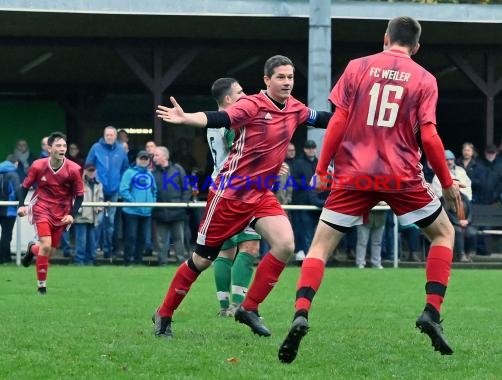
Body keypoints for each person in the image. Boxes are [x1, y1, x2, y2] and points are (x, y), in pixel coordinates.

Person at [278, 17, 461, 363]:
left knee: (320, 246)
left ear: (385, 38)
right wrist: (447, 183)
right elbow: (431, 136)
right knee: (443, 234)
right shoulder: (425, 78)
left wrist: (321, 168)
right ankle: (431, 312)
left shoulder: (357, 67)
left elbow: (338, 122)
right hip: (401, 175)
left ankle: (301, 311)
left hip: (354, 174)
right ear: (417, 47)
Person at [153, 55, 331, 338]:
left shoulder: (295, 107)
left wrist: (358, 118)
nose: (287, 82)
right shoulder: (251, 104)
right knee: (202, 260)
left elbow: (322, 118)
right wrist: (187, 118)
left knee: (285, 245)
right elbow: (220, 117)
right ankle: (164, 314)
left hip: (261, 193)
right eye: (281, 77)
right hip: (229, 196)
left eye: (290, 77)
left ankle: (248, 307)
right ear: (267, 80)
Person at [207, 77, 263, 317]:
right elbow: (241, 149)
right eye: (240, 92)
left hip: (220, 185)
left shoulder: (213, 123)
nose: (245, 95)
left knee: (226, 250)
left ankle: (224, 306)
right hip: (240, 188)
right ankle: (237, 304)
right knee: (249, 245)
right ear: (228, 99)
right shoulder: (232, 123)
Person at [18, 132, 84, 294]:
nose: (62, 149)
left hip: (61, 212)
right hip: (41, 208)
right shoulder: (38, 165)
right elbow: (24, 186)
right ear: (49, 148)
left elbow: (80, 195)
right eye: (58, 145)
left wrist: (71, 215)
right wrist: (21, 206)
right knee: (46, 245)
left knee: (49, 251)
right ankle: (42, 287)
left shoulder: (74, 169)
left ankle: (32, 249)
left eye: (64, 146)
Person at [85, 126, 130, 259]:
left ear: (116, 136)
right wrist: (93, 183)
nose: (109, 137)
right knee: (97, 220)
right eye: (107, 135)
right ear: (104, 136)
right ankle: (94, 250)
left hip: (114, 190)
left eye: (112, 135)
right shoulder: (96, 147)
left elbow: (125, 169)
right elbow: (88, 166)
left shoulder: (121, 150)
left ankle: (108, 249)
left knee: (110, 222)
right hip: (98, 190)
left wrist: (120, 184)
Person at [152, 146, 190, 265]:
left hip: (177, 212)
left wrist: (181, 205)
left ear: (165, 156)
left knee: (179, 239)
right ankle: (162, 262)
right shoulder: (152, 173)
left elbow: (187, 189)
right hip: (160, 212)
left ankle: (181, 263)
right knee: (161, 240)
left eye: (157, 155)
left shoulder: (178, 170)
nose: (154, 158)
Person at [119, 150, 157, 266]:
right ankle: (127, 261)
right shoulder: (129, 173)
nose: (143, 161)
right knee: (131, 237)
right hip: (131, 211)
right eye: (141, 158)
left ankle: (138, 260)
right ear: (137, 160)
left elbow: (154, 190)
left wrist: (152, 203)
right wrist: (133, 202)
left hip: (146, 212)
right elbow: (123, 190)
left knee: (142, 238)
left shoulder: (150, 174)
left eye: (146, 159)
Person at [74, 164, 104, 265]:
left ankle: (90, 261)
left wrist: (99, 208)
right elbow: (73, 198)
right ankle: (79, 262)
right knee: (81, 242)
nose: (91, 173)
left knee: (91, 242)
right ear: (85, 171)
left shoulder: (99, 184)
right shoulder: (78, 183)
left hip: (93, 218)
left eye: (93, 171)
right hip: (81, 217)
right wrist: (77, 210)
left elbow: (101, 199)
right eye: (89, 171)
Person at [0, 155, 20, 264]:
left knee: (5, 233)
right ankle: (2, 259)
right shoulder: (13, 175)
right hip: (10, 209)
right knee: (7, 235)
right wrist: (22, 204)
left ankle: (6, 258)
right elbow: (18, 191)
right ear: (15, 162)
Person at [355, 203, 387, 269]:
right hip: (364, 217)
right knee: (362, 242)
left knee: (377, 243)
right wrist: (379, 202)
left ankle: (376, 263)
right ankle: (360, 263)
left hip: (380, 218)